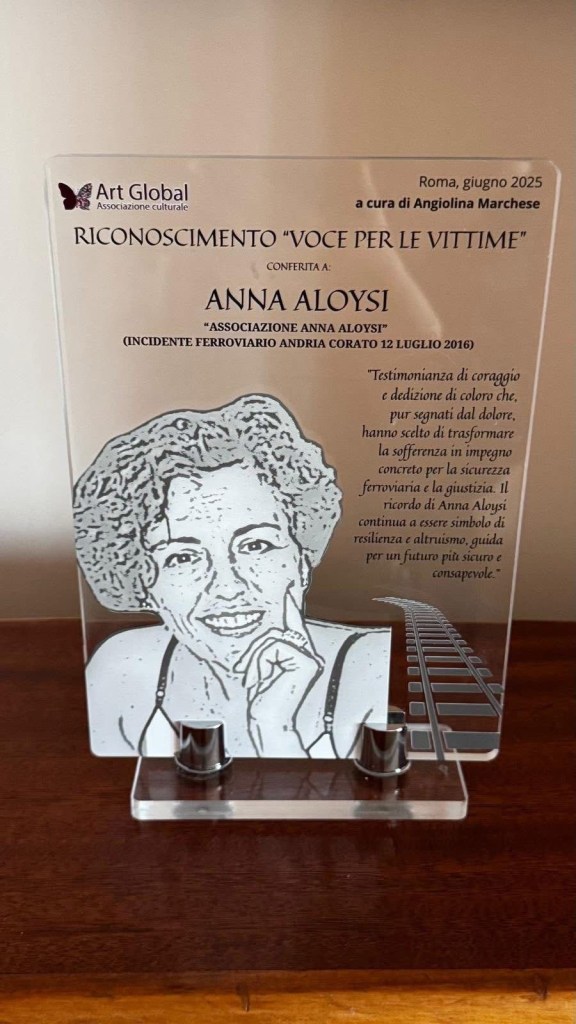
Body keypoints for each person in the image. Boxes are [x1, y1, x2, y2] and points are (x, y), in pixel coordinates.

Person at [74, 394, 390, 758]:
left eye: (255, 545)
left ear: (301, 560)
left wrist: (273, 726)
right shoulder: (124, 668)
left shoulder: (373, 666)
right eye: (183, 557)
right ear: (143, 583)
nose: (227, 587)